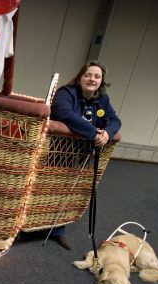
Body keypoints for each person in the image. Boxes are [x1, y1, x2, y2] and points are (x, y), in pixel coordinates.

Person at [49, 60, 122, 250]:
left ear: (101, 81)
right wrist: (93, 133)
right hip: (59, 149)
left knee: (70, 190)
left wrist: (107, 133)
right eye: (88, 75)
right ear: (80, 77)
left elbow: (114, 120)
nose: (92, 79)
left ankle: (58, 229)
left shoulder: (102, 100)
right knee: (50, 186)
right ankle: (32, 226)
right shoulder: (66, 92)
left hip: (83, 153)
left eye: (97, 76)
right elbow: (62, 112)